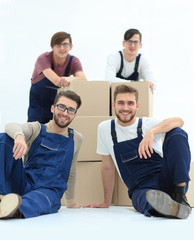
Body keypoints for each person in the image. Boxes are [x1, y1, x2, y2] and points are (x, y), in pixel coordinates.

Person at [87, 84, 192, 219]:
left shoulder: (147, 124)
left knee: (177, 132)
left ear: (137, 106)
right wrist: (106, 201)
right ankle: (169, 208)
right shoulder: (105, 128)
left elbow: (179, 121)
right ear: (113, 105)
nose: (125, 108)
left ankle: (179, 196)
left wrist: (152, 132)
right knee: (145, 199)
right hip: (142, 189)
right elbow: (107, 167)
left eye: (130, 103)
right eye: (121, 103)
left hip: (167, 179)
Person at [0, 90, 83, 219]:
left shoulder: (76, 138)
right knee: (5, 138)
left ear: (75, 115)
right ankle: (2, 197)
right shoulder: (37, 129)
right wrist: (19, 136)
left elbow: (71, 171)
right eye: (61, 107)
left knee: (37, 201)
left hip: (49, 191)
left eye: (71, 110)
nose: (65, 113)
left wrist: (71, 202)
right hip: (24, 183)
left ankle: (11, 208)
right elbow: (10, 126)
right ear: (52, 108)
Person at [27, 31, 87, 124]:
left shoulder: (73, 61)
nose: (62, 48)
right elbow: (57, 81)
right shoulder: (43, 58)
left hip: (59, 106)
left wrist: (70, 78)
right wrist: (71, 79)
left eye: (65, 44)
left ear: (71, 46)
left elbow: (83, 79)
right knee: (35, 131)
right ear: (52, 47)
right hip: (39, 105)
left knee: (55, 134)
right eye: (58, 45)